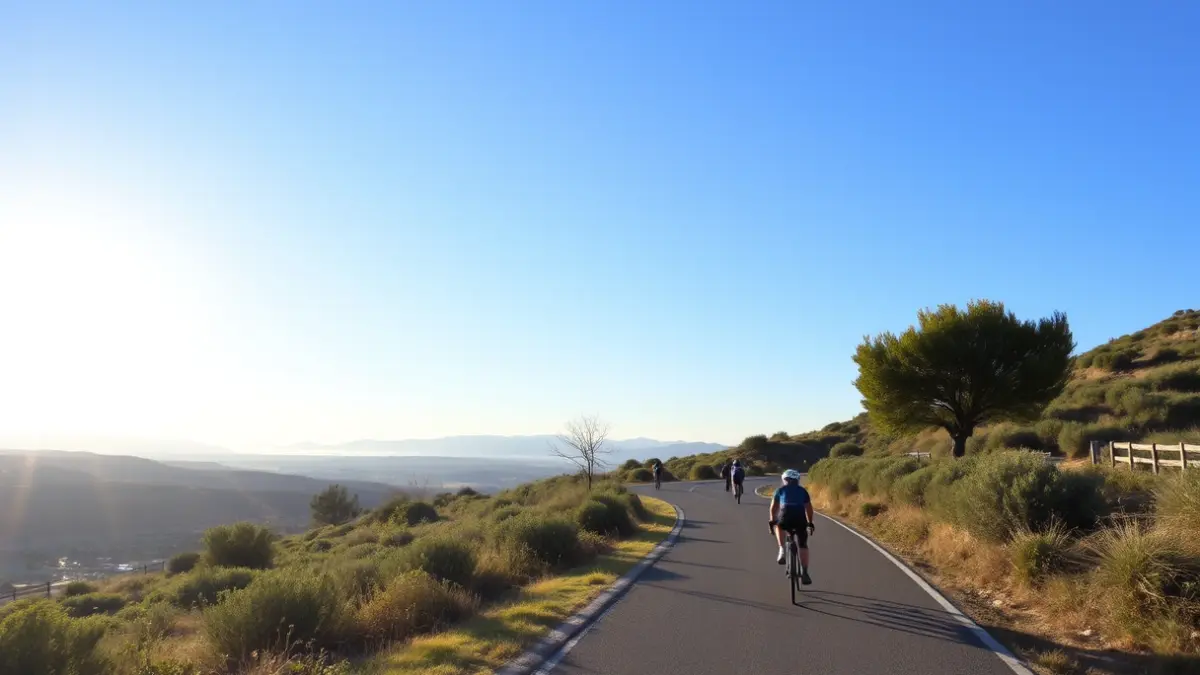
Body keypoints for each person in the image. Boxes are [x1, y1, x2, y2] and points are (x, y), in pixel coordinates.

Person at [769, 469, 814, 585]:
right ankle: (805, 572)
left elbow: (773, 508)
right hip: (799, 518)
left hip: (785, 515)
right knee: (803, 544)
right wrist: (810, 523)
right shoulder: (803, 491)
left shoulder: (780, 490)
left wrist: (772, 521)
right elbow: (809, 509)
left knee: (779, 526)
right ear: (797, 480)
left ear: (784, 480)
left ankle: (782, 550)